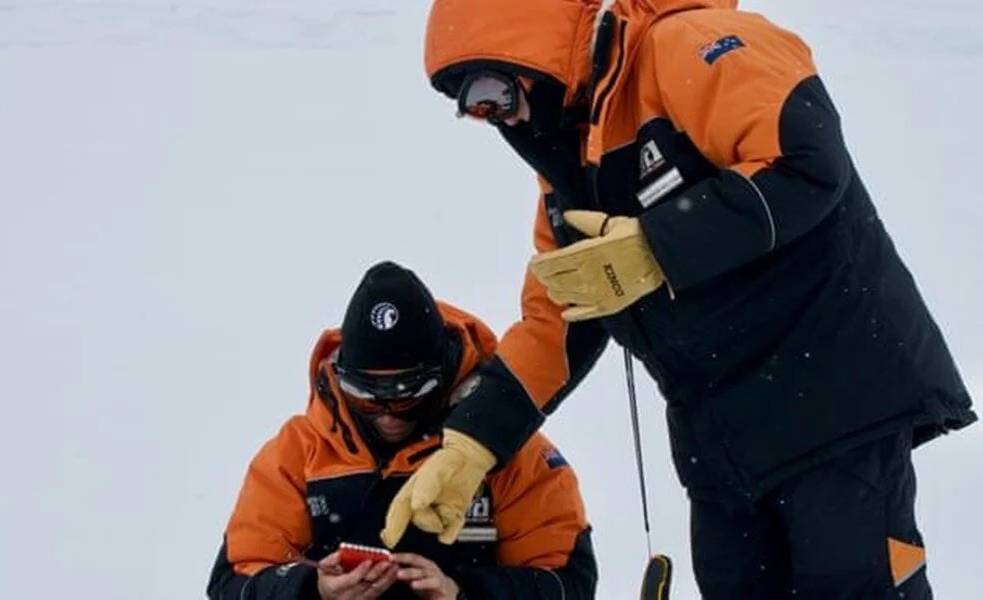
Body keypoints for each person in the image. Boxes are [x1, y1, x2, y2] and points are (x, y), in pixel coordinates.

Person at [380, 1, 978, 598]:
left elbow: (806, 162)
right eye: (469, 105)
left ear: (540, 48)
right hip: (722, 451)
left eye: (492, 88)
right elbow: (560, 318)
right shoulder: (569, 172)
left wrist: (658, 246)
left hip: (834, 404)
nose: (491, 116)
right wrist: (472, 442)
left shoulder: (693, 45)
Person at [207, 261, 597, 600]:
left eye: (410, 393)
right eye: (366, 395)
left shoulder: (508, 451)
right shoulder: (296, 455)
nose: (388, 414)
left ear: (444, 377)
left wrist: (463, 593)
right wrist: (313, 591)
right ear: (341, 379)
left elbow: (568, 583)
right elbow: (233, 582)